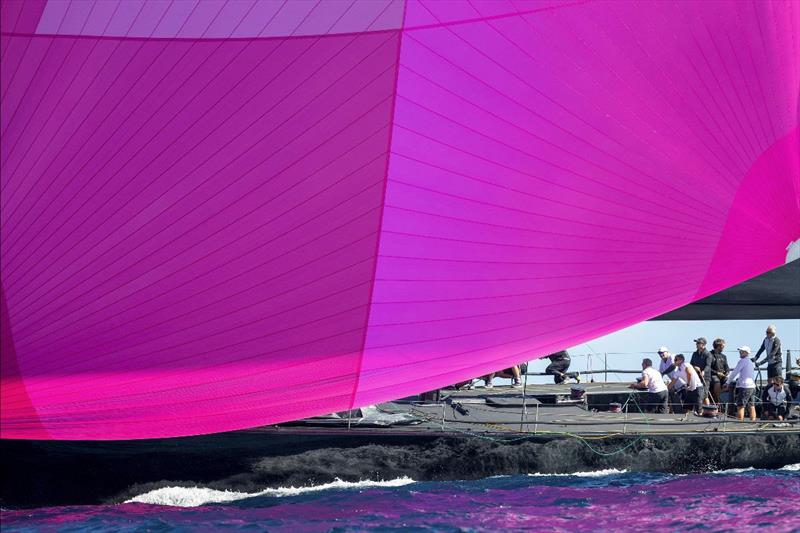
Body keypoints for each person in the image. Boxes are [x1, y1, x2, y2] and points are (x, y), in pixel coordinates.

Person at [728, 346, 757, 422]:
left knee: (740, 405)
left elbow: (735, 372)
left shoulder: (742, 361)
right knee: (751, 405)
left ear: (746, 353)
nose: (740, 353)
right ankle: (753, 421)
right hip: (752, 386)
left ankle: (740, 422)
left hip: (745, 387)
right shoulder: (750, 362)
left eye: (742, 351)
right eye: (740, 351)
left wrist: (727, 382)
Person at [690, 337, 712, 404]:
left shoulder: (708, 354)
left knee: (705, 395)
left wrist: (703, 371)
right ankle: (699, 410)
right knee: (696, 394)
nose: (696, 344)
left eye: (698, 343)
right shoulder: (694, 354)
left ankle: (707, 410)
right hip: (696, 377)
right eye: (697, 343)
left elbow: (708, 366)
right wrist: (694, 367)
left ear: (703, 344)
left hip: (705, 378)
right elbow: (691, 364)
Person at [708, 338, 729, 404]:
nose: (723, 348)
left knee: (731, 383)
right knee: (717, 382)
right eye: (723, 346)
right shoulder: (709, 355)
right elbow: (708, 368)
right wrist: (717, 373)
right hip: (712, 375)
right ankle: (718, 401)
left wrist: (727, 373)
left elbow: (727, 367)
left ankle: (729, 404)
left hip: (723, 376)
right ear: (718, 346)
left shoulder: (724, 356)